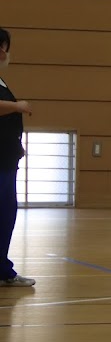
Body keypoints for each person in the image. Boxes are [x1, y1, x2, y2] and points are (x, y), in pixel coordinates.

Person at [0, 28, 34, 288]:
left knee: (6, 214)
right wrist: (17, 106)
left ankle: (3, 270)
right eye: (4, 47)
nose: (6, 53)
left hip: (7, 160)